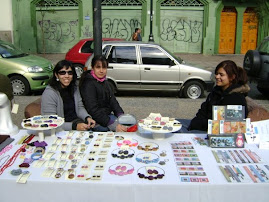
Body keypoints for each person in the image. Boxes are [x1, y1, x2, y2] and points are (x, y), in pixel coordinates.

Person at [178, 60, 250, 133]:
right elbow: (203, 110)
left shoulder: (235, 98)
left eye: (221, 75)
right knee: (173, 124)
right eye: (216, 73)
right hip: (200, 124)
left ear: (232, 77)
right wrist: (195, 122)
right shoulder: (216, 91)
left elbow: (224, 126)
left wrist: (196, 125)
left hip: (213, 132)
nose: (217, 77)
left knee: (179, 134)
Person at [41, 60, 95, 131]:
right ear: (56, 75)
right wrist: (74, 126)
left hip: (76, 123)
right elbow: (50, 122)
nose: (67, 76)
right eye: (62, 73)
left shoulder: (74, 87)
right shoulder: (50, 93)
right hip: (58, 130)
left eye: (70, 73)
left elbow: (79, 107)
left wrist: (87, 118)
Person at [79, 55, 127, 132]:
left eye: (104, 67)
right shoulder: (88, 84)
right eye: (98, 67)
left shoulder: (105, 81)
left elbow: (113, 101)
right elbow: (93, 109)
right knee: (119, 130)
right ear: (92, 67)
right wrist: (111, 124)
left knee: (127, 125)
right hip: (95, 120)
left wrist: (120, 114)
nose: (101, 71)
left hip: (107, 116)